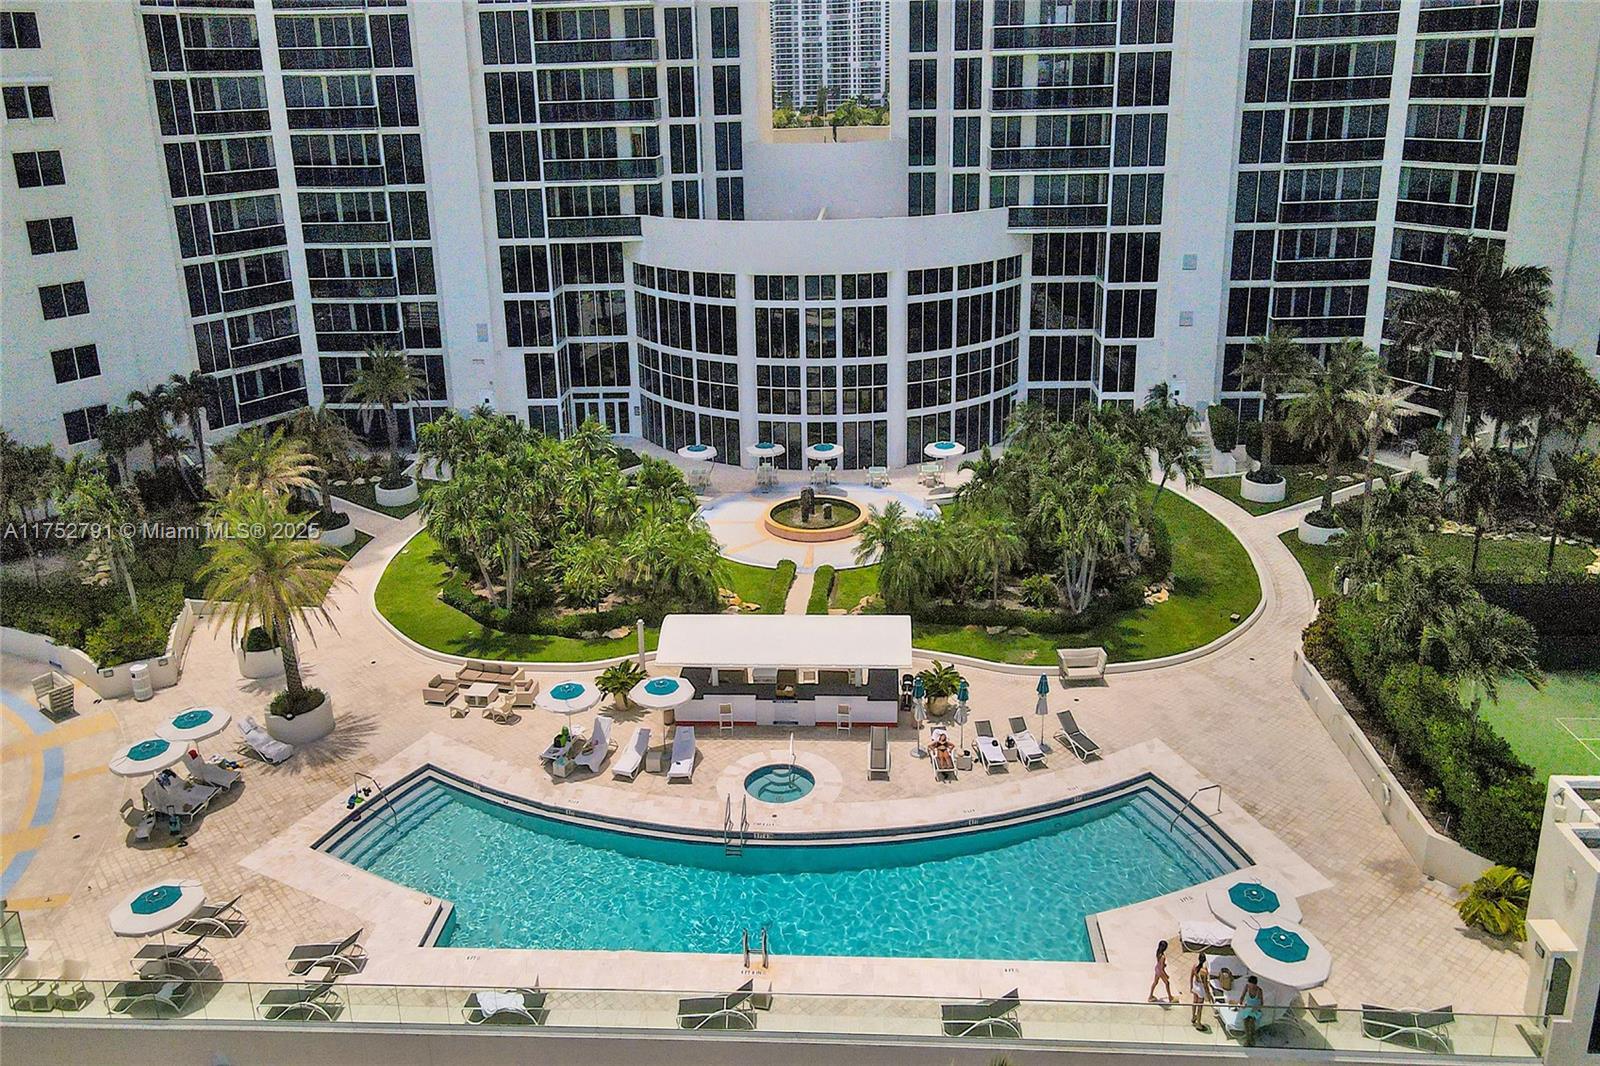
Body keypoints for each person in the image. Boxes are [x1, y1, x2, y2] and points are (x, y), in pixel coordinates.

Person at [1237, 974, 1265, 1046]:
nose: (1250, 986)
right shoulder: (1247, 987)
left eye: (1251, 985)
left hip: (1255, 1009)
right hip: (1248, 1008)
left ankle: (1249, 1039)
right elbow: (1241, 998)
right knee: (1245, 1021)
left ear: (1255, 985)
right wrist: (1241, 1004)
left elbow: (1261, 1004)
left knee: (1251, 1021)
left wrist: (1256, 1008)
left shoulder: (1259, 991)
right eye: (1249, 984)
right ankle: (1249, 1039)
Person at [1189, 951, 1211, 1031]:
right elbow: (1205, 985)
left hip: (1195, 986)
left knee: (1194, 1002)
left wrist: (1191, 986)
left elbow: (1191, 977)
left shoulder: (1194, 966)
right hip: (1201, 989)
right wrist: (1208, 994)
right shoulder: (1204, 971)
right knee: (1200, 1007)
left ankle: (1193, 1016)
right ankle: (1198, 1023)